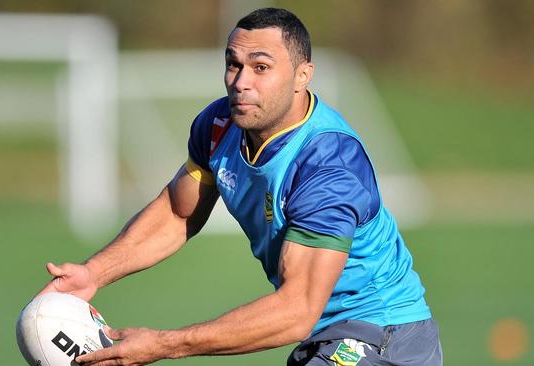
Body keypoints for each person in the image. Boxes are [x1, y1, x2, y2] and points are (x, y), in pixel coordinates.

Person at [38, 8, 442, 366]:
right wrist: (94, 273)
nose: (241, 81)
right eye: (233, 64)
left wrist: (163, 344)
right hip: (323, 336)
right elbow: (178, 213)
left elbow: (297, 309)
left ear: (303, 75)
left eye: (261, 67)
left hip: (384, 337)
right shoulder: (219, 125)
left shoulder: (328, 163)